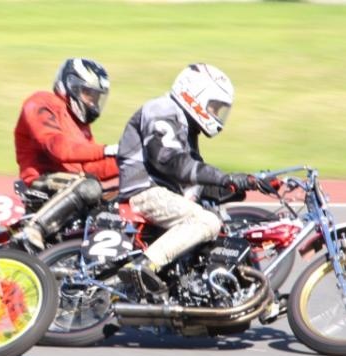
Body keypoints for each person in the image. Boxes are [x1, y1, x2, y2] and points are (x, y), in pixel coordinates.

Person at [116, 63, 257, 293]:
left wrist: (244, 184)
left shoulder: (187, 126)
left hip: (165, 193)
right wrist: (224, 177)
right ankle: (144, 264)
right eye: (213, 107)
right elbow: (170, 161)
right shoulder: (162, 109)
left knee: (218, 223)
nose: (216, 114)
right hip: (144, 191)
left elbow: (194, 181)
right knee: (207, 222)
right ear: (195, 94)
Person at [14, 58, 119, 250]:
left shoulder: (80, 124)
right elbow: (58, 148)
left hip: (73, 184)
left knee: (115, 198)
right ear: (71, 86)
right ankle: (33, 230)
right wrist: (107, 149)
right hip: (41, 181)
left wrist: (127, 160)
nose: (92, 102)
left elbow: (88, 167)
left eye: (96, 97)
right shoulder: (41, 103)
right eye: (88, 94)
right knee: (89, 187)